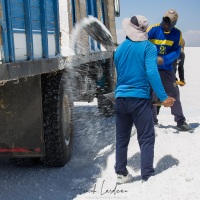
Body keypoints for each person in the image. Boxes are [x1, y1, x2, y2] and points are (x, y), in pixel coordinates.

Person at [114, 15, 175, 184]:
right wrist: (164, 97)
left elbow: (120, 72)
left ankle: (121, 174)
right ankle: (147, 175)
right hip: (139, 99)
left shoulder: (119, 49)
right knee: (146, 138)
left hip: (120, 98)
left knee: (121, 138)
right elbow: (152, 73)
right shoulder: (148, 47)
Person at [147, 9, 192, 131]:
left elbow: (177, 51)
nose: (165, 23)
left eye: (169, 21)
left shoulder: (177, 34)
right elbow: (142, 46)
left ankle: (180, 120)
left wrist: (165, 59)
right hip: (151, 69)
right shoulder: (153, 29)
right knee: (151, 95)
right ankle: (152, 120)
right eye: (164, 20)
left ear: (174, 22)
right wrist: (153, 59)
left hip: (167, 70)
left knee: (174, 94)